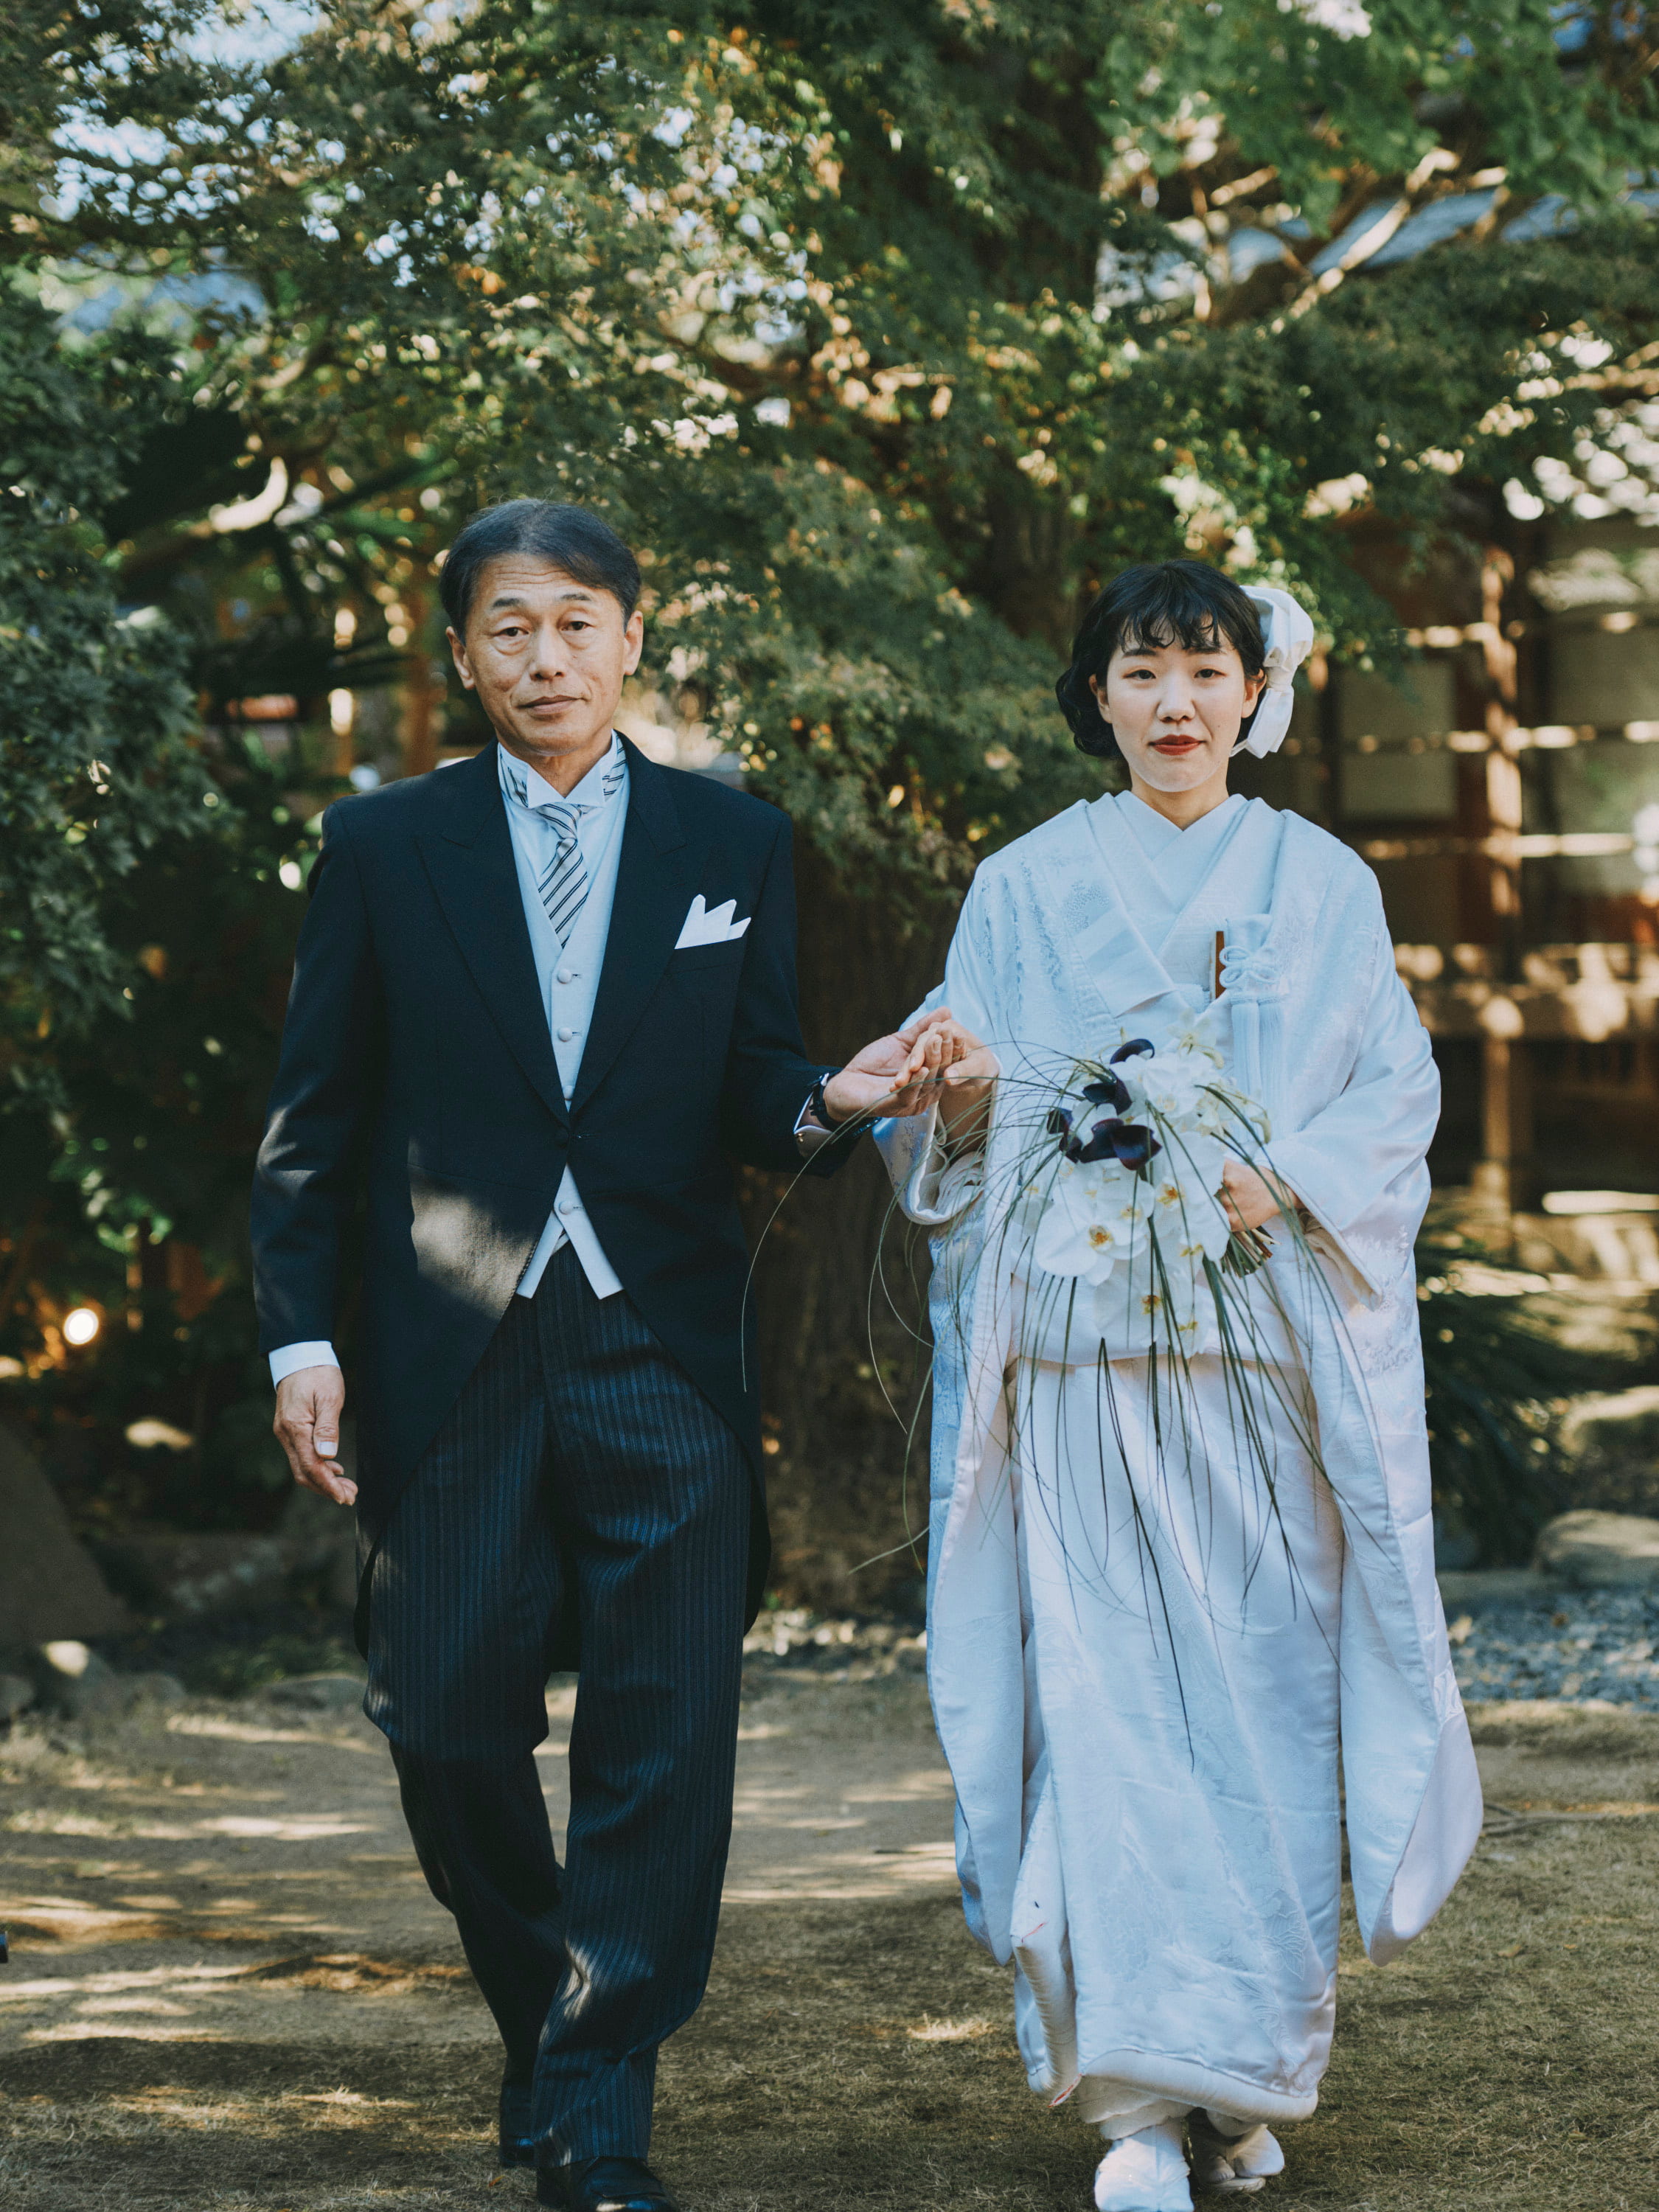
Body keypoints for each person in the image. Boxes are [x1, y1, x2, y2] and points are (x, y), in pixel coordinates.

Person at [251, 498, 961, 2212]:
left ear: (634, 637)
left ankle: (597, 2118)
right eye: (510, 626)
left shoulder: (735, 841)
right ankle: (554, 2019)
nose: (546, 656)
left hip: (664, 1332)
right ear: (463, 654)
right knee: (442, 1717)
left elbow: (753, 1089)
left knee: (667, 1730)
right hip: (452, 1347)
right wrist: (302, 1341)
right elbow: (313, 1126)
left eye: (577, 622)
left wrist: (828, 1101)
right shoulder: (380, 845)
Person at [877, 560, 1483, 2211]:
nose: (1172, 704)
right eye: (1140, 671)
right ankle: (1139, 2099)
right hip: (1080, 1376)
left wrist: (1280, 1176)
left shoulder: (1322, 882)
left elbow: (1393, 1093)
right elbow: (957, 1112)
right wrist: (959, 1102)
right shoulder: (1020, 883)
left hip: (1256, 1371)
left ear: (1253, 695)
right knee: (1108, 1719)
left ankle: (1248, 2065)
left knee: (1264, 1716)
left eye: (1204, 672)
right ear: (1097, 694)